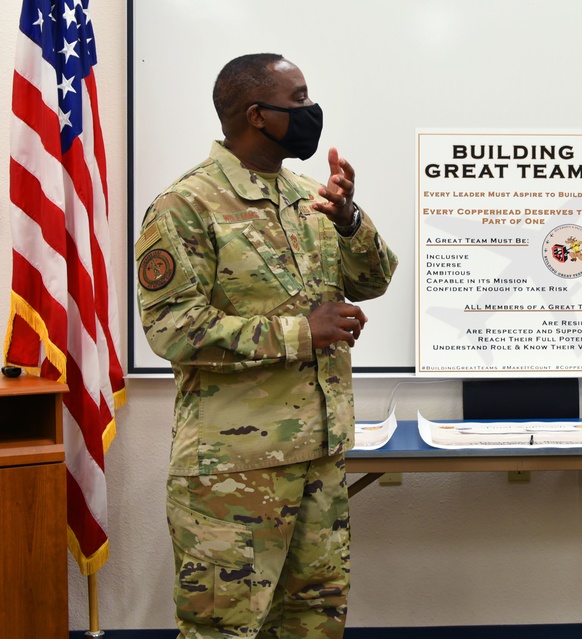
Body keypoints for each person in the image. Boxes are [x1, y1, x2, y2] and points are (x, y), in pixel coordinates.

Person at [135, 53, 398, 638]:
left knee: (314, 624)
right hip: (232, 473)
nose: (311, 111)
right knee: (223, 630)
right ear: (257, 115)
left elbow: (376, 279)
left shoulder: (310, 197)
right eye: (299, 99)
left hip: (320, 461)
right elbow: (173, 328)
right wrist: (301, 332)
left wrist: (351, 219)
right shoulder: (185, 206)